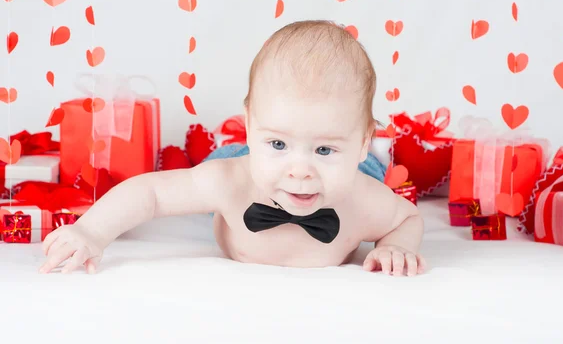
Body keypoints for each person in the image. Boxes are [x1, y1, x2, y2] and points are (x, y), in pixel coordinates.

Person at [39, 20, 426, 277]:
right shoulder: (228, 183)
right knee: (211, 170)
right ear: (250, 126)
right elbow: (152, 192)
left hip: (354, 173)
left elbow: (408, 218)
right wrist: (91, 232)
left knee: (373, 171)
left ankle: (335, 151)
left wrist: (395, 246)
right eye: (278, 142)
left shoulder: (364, 199)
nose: (300, 169)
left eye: (324, 150)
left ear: (361, 142)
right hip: (245, 169)